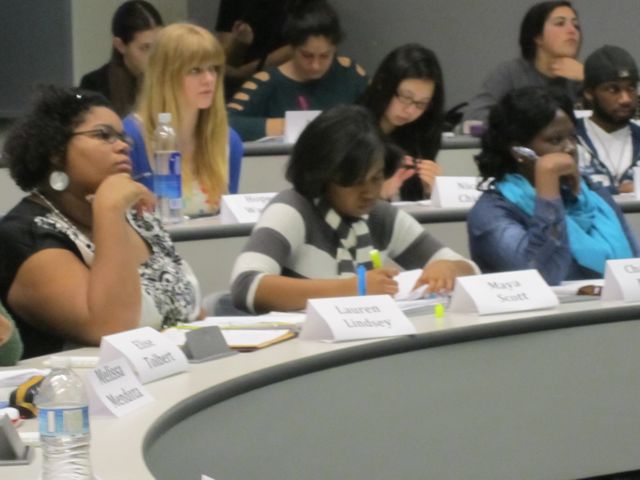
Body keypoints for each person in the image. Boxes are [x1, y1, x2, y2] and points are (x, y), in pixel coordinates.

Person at [0, 86, 201, 359]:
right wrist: (108, 209)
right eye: (103, 136)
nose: (122, 146)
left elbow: (189, 309)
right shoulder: (25, 236)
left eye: (123, 137)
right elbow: (113, 328)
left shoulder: (139, 219)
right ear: (55, 151)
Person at [230, 105, 477, 313]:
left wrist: (449, 269)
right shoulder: (294, 208)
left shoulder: (379, 216)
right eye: (356, 182)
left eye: (377, 178)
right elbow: (246, 285)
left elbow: (470, 270)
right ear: (323, 176)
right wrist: (354, 289)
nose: (369, 193)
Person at [467, 87, 639, 286]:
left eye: (573, 137)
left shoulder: (593, 194)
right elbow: (543, 276)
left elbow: (634, 266)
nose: (570, 148)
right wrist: (547, 188)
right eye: (555, 140)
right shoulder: (492, 212)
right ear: (519, 152)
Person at [124, 23, 243, 217]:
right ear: (165, 76)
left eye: (213, 68)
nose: (209, 79)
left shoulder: (229, 141)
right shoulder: (131, 139)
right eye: (195, 70)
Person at [227, 0, 368, 141]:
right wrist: (291, 126)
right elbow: (225, 123)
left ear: (335, 49)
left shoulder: (349, 73)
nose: (315, 65)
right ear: (292, 48)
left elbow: (378, 111)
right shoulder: (267, 82)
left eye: (325, 56)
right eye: (307, 56)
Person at [463, 1, 582, 125]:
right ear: (537, 36)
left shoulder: (581, 76)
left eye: (576, 25)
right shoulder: (511, 73)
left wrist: (588, 76)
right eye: (560, 23)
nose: (572, 30)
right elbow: (473, 117)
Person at [359, 43, 445, 201]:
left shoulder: (421, 134)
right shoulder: (353, 129)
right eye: (406, 98)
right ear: (383, 84)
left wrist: (434, 192)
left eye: (422, 104)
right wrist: (377, 195)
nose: (410, 110)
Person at [79, 0, 163, 117]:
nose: (155, 56)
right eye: (145, 48)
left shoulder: (169, 78)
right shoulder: (95, 84)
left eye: (159, 46)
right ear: (120, 45)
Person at [577, 45, 640, 193]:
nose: (625, 99)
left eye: (631, 88)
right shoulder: (570, 140)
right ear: (589, 93)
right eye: (613, 90)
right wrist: (618, 191)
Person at [215, 0, 294, 99]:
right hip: (237, 89)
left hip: (286, 83)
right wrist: (239, 45)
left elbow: (301, 44)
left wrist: (241, 73)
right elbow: (224, 57)